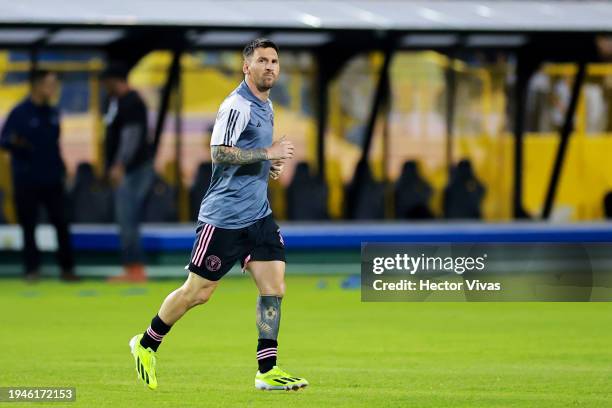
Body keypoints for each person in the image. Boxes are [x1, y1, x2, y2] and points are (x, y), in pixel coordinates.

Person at [128, 38, 308, 391]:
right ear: (247, 67)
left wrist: (267, 165)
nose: (270, 66)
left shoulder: (266, 105)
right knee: (198, 292)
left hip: (258, 215)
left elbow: (249, 155)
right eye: (262, 61)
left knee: (274, 287)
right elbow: (219, 153)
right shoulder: (237, 105)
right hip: (223, 217)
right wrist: (266, 152)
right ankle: (146, 343)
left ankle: (267, 370)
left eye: (274, 61)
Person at [0, 70, 78, 282]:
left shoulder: (53, 113)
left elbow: (54, 145)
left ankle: (67, 269)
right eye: (49, 84)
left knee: (61, 223)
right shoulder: (20, 113)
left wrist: (63, 169)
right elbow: (5, 140)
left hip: (52, 178)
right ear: (36, 85)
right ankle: (31, 270)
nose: (53, 89)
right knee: (29, 225)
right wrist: (20, 148)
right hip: (27, 179)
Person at [101, 63, 155, 283]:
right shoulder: (120, 102)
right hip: (132, 169)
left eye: (106, 83)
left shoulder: (131, 102)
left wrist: (119, 165)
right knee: (127, 219)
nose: (104, 87)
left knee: (127, 218)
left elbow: (131, 136)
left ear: (115, 80)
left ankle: (134, 268)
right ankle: (133, 267)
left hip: (133, 170)